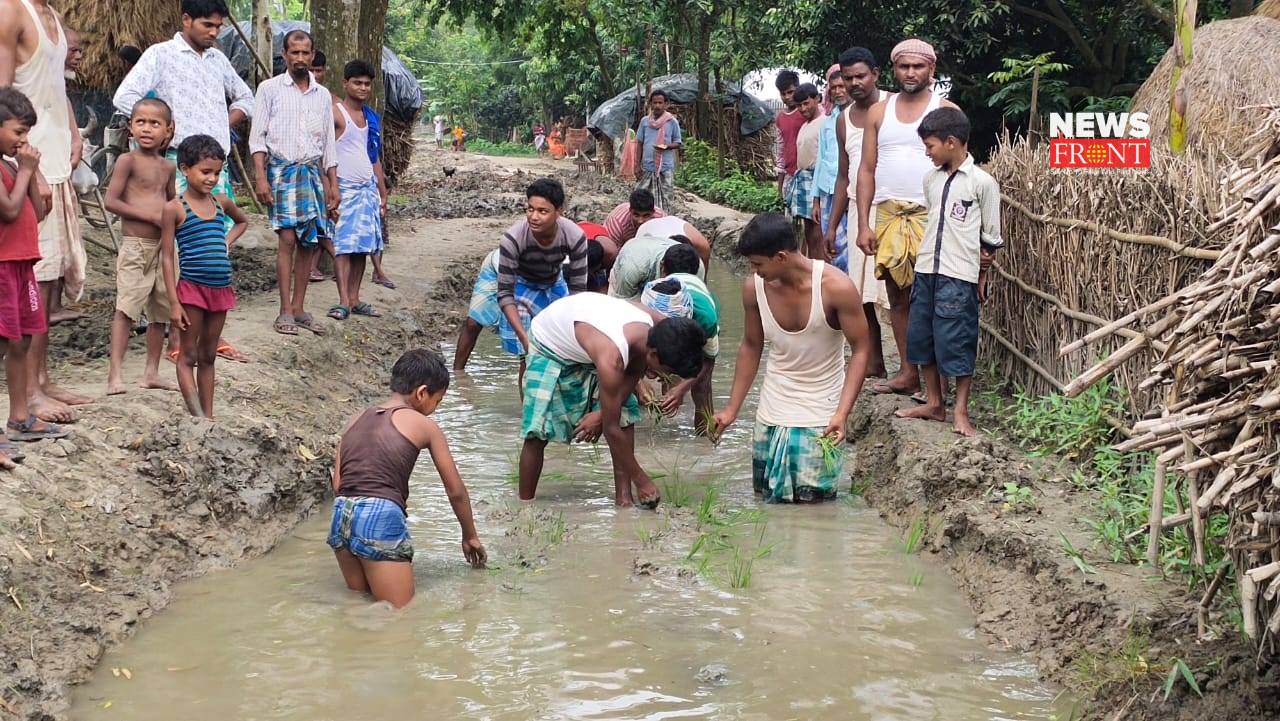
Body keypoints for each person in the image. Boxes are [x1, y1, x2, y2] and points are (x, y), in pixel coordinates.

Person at [113, 0, 255, 365]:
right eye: (207, 25)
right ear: (186, 20)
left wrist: (224, 122)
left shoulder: (218, 60)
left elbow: (246, 97)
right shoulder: (161, 55)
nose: (213, 32)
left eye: (218, 26)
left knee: (212, 248)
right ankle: (179, 335)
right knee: (177, 248)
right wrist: (163, 125)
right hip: (178, 161)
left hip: (214, 166)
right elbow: (125, 96)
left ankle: (210, 335)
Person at [712, 213, 871, 504]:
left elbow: (861, 349)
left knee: (815, 506)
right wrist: (732, 409)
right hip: (771, 412)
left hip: (821, 415)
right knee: (766, 502)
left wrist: (842, 414)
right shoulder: (754, 288)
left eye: (758, 264)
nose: (754, 270)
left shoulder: (836, 288)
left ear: (781, 257)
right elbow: (750, 346)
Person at [329, 348, 486, 608]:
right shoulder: (423, 425)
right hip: (380, 513)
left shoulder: (355, 419)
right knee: (399, 615)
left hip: (341, 515)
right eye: (437, 401)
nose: (434, 410)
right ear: (422, 392)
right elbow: (455, 490)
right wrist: (469, 536)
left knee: (358, 606)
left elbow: (338, 484)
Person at [518, 293, 706, 507]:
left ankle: (624, 501)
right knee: (537, 431)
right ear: (653, 355)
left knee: (625, 413)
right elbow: (611, 429)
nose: (664, 377)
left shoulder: (655, 328)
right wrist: (642, 480)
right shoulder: (611, 358)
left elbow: (631, 378)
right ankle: (525, 506)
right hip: (550, 344)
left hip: (587, 337)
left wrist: (600, 414)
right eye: (667, 371)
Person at [1, 0, 92, 423]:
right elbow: (4, 97)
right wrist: (24, 165)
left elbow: (57, 88)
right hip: (32, 161)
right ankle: (30, 394)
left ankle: (44, 378)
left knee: (51, 276)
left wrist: (74, 134)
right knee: (34, 276)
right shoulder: (11, 10)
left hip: (55, 156)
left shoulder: (53, 17)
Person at [855, 38, 958, 397]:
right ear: (894, 70)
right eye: (904, 66)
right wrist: (864, 223)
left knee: (932, 297)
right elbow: (867, 170)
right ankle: (908, 372)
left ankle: (938, 380)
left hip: (932, 215)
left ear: (932, 69)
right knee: (897, 298)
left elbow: (959, 170)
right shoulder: (879, 112)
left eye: (918, 66)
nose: (910, 73)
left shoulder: (946, 110)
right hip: (888, 213)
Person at [895, 108, 1002, 437]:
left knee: (957, 340)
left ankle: (960, 411)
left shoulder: (982, 183)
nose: (927, 153)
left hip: (960, 274)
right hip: (927, 269)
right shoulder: (931, 179)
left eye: (930, 146)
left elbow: (991, 238)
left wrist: (982, 276)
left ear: (951, 142)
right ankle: (934, 403)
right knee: (922, 337)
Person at [250, 29, 338, 338]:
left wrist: (333, 185)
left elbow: (328, 144)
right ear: (285, 55)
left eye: (305, 53)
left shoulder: (323, 95)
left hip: (312, 174)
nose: (300, 58)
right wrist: (260, 177)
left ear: (312, 55)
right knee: (286, 239)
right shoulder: (269, 89)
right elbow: (257, 137)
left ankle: (300, 307)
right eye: (294, 52)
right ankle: (284, 309)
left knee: (308, 242)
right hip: (280, 173)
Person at [453, 179, 588, 374]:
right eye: (530, 209)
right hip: (505, 271)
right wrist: (525, 339)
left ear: (559, 212)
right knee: (475, 323)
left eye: (543, 211)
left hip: (549, 279)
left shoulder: (575, 237)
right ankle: (458, 376)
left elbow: (578, 295)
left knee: (556, 342)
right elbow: (505, 294)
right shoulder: (513, 238)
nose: (534, 217)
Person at [0, 88, 69, 465]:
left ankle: (20, 417)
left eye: (27, 133)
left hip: (24, 262)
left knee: (24, 339)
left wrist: (31, 172)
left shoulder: (13, 165)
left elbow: (35, 212)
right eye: (17, 132)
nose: (24, 141)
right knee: (2, 343)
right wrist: (26, 170)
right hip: (2, 266)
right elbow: (9, 212)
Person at [160, 135, 247, 418]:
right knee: (188, 356)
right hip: (192, 291)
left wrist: (227, 241)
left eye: (217, 173)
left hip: (220, 290)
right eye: (205, 172)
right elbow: (167, 257)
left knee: (209, 355)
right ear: (185, 169)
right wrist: (173, 303)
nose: (211, 178)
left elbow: (242, 221)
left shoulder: (221, 203)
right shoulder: (175, 208)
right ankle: (197, 416)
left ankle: (209, 417)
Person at [103, 98, 180, 396]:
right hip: (136, 246)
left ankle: (152, 372)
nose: (147, 129)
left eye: (155, 123)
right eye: (141, 122)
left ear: (168, 131)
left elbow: (171, 201)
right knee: (126, 308)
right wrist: (150, 216)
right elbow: (112, 201)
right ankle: (115, 375)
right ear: (131, 127)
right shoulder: (127, 161)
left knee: (160, 311)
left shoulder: (168, 166)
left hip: (164, 249)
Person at [828, 46, 891, 378]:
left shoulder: (895, 108)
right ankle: (875, 362)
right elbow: (843, 175)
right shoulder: (844, 119)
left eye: (861, 76)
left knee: (898, 293)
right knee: (861, 293)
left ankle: (911, 369)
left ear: (876, 74)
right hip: (858, 211)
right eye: (848, 77)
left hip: (895, 210)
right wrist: (832, 225)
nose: (854, 83)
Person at [327, 59, 389, 321]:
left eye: (367, 84)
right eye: (357, 83)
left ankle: (355, 298)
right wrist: (328, 187)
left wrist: (382, 192)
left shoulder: (369, 117)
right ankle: (342, 300)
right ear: (346, 83)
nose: (362, 88)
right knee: (342, 246)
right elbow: (325, 153)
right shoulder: (335, 113)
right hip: (343, 188)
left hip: (366, 189)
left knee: (362, 247)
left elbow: (373, 156)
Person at [640, 242, 720, 434]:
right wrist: (639, 384)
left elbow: (708, 361)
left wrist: (682, 388)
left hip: (699, 317)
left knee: (701, 386)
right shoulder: (643, 313)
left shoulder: (705, 318)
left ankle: (706, 440)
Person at [810, 65, 850, 269]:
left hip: (851, 191)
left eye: (842, 86)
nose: (838, 91)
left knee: (850, 244)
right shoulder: (827, 122)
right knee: (831, 242)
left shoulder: (862, 118)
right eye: (833, 88)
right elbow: (821, 160)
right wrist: (815, 199)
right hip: (827, 191)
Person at [608, 227, 706, 301]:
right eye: (672, 280)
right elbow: (622, 304)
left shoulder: (698, 267)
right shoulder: (631, 268)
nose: (675, 285)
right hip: (633, 266)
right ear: (662, 266)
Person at [789, 83, 824, 259]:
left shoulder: (825, 122)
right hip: (802, 178)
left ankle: (822, 269)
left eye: (806, 103)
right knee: (808, 229)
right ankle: (813, 267)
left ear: (817, 99)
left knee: (818, 230)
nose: (802, 109)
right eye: (798, 106)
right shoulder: (805, 125)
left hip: (816, 179)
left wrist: (817, 194)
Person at [635, 89, 682, 212]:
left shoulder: (672, 122)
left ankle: (664, 222)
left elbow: (678, 142)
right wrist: (636, 166)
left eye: (660, 103)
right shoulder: (645, 122)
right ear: (650, 104)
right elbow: (639, 143)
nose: (657, 106)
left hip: (665, 168)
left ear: (666, 104)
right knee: (642, 198)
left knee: (666, 199)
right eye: (655, 103)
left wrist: (665, 146)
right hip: (647, 168)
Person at [773, 70, 802, 200]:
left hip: (808, 173)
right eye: (783, 93)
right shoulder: (780, 118)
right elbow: (781, 151)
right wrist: (779, 188)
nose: (787, 97)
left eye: (790, 92)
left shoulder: (808, 112)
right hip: (790, 175)